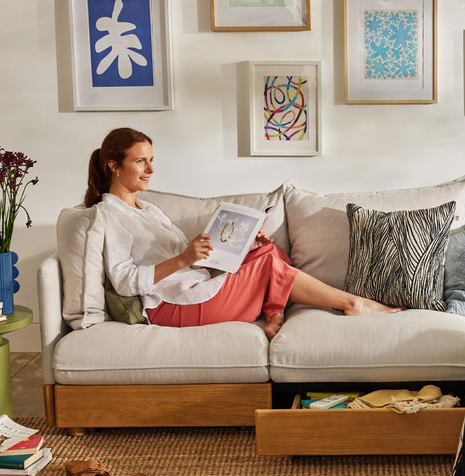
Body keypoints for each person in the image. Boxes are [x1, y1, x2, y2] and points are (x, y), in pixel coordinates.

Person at [85, 128, 400, 338]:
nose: (151, 170)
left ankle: (273, 314)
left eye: (151, 160)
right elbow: (124, 281)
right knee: (268, 264)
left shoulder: (148, 209)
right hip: (170, 306)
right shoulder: (107, 215)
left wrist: (237, 245)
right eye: (140, 162)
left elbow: (190, 263)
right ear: (114, 165)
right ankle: (353, 304)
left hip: (192, 287)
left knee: (266, 251)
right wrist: (184, 259)